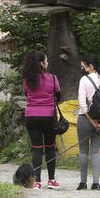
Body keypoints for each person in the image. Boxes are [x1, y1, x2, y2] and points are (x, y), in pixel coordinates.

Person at [21, 49, 61, 190]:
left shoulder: (27, 80)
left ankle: (37, 182)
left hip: (31, 115)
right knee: (50, 147)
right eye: (46, 60)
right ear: (43, 63)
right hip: (48, 116)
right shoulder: (52, 78)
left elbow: (27, 94)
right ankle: (51, 180)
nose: (48, 62)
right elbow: (59, 96)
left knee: (37, 149)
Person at [76, 54, 100, 190]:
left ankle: (82, 183)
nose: (82, 69)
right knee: (96, 152)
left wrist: (91, 121)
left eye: (83, 66)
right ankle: (96, 183)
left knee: (83, 151)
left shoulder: (84, 80)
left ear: (90, 66)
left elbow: (82, 103)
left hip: (85, 120)